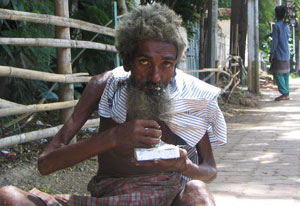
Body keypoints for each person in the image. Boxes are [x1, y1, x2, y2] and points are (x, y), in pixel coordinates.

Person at [0, 4, 227, 206]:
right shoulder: (103, 87)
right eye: (144, 61)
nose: (155, 76)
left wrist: (185, 166)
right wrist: (115, 136)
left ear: (176, 65)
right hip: (106, 199)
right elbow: (45, 164)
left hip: (166, 198)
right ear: (127, 62)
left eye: (166, 64)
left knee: (197, 192)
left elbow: (210, 171)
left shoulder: (192, 98)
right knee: (9, 196)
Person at [269, 5, 291, 101]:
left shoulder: (276, 26)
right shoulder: (286, 26)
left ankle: (284, 92)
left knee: (278, 74)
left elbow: (275, 42)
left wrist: (272, 54)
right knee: (285, 74)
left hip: (279, 53)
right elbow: (286, 37)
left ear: (276, 14)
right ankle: (286, 92)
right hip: (286, 53)